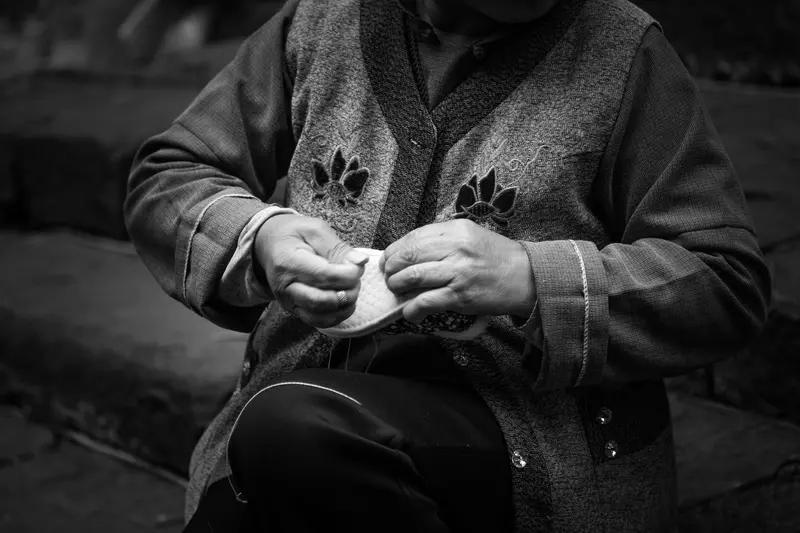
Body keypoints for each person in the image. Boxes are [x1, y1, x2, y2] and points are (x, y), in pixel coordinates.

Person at [124, 0, 771, 531]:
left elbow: (724, 280)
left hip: (527, 448)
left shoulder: (624, 50)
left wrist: (529, 279)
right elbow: (170, 175)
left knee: (293, 430)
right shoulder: (322, 20)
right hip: (300, 433)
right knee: (265, 471)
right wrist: (260, 236)